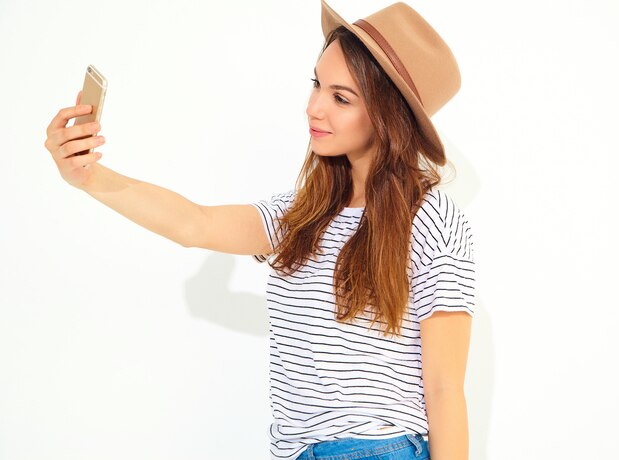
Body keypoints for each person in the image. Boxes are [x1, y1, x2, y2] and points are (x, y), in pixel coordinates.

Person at [44, 1, 476, 459]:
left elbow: (446, 388)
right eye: (317, 84)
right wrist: (88, 176)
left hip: (375, 448)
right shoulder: (302, 214)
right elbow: (195, 223)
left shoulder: (431, 219)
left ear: (390, 117)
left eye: (341, 98)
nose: (314, 107)